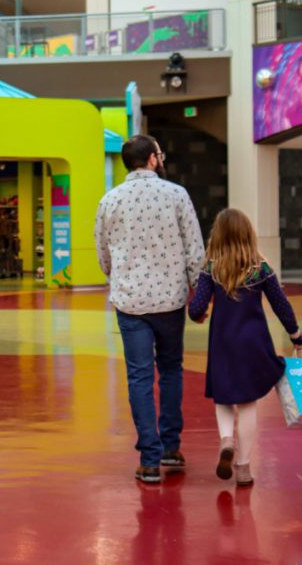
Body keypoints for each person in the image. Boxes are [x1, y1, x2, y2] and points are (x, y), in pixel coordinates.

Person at [95, 135, 205, 484]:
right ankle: (171, 446)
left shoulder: (110, 200)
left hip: (131, 304)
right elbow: (194, 249)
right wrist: (197, 292)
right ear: (154, 160)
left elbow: (103, 253)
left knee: (139, 376)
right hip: (170, 301)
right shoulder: (177, 195)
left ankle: (149, 459)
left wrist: (119, 273)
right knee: (170, 369)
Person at [188, 209, 302, 486]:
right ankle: (243, 467)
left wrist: (200, 314)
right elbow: (281, 306)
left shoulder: (211, 268)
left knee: (224, 398)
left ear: (217, 235)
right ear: (247, 234)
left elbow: (195, 309)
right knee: (248, 402)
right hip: (254, 343)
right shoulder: (260, 267)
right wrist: (296, 335)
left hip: (222, 343)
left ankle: (227, 439)